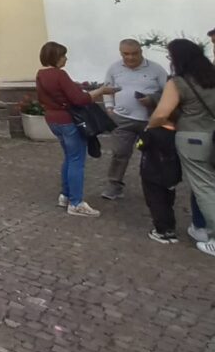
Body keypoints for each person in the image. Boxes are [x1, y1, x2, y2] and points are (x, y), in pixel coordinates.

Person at [146, 39, 215, 257]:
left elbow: (161, 113)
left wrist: (150, 127)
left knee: (204, 188)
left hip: (193, 139)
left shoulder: (179, 82)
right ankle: (200, 228)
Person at [36, 41, 117, 217]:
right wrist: (101, 91)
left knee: (69, 157)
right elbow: (79, 99)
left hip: (53, 119)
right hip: (68, 120)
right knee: (76, 161)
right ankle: (76, 202)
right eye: (63, 55)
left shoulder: (41, 75)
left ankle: (65, 195)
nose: (66, 58)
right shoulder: (59, 75)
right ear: (56, 57)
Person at [100, 39, 167, 200]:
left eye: (134, 54)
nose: (130, 58)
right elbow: (107, 89)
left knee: (153, 155)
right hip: (122, 119)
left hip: (149, 121)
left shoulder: (156, 69)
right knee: (119, 153)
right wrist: (109, 107)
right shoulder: (114, 68)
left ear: (141, 52)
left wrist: (152, 99)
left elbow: (168, 92)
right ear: (121, 53)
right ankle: (114, 186)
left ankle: (156, 187)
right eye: (126, 54)